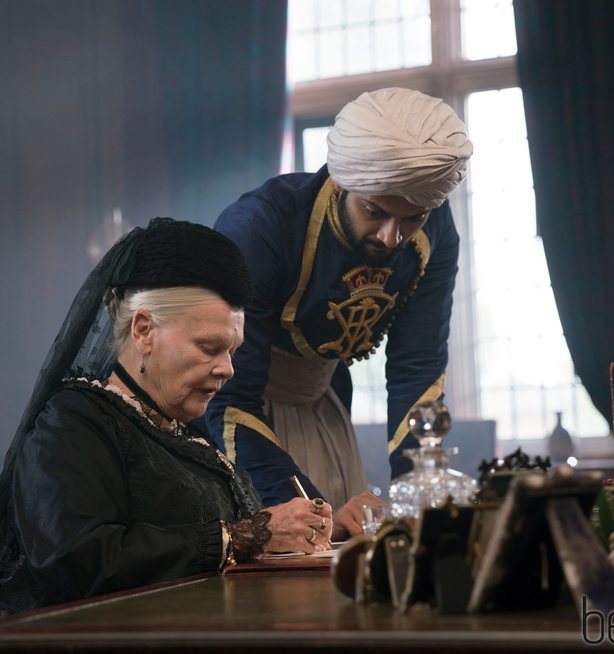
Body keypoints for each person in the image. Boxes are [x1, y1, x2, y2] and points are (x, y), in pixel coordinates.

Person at [0, 218, 334, 628]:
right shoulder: (71, 425)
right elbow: (76, 562)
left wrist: (288, 532)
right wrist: (246, 535)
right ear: (144, 330)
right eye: (210, 347)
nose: (227, 369)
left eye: (232, 351)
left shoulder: (184, 429)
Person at [203, 88, 473, 540]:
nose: (391, 237)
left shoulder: (436, 235)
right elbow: (229, 394)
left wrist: (416, 499)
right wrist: (310, 507)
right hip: (237, 419)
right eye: (375, 211)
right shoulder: (260, 227)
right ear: (341, 180)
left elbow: (418, 369)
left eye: (413, 219)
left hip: (325, 411)